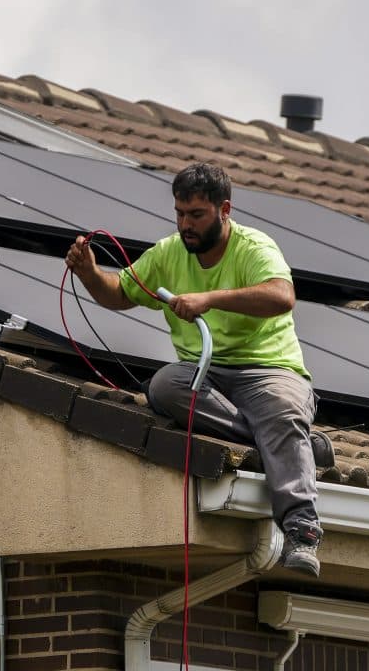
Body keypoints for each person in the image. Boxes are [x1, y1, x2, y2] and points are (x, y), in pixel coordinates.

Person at [64, 162, 334, 576]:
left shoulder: (253, 247)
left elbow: (281, 296)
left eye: (196, 215)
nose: (185, 224)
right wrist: (90, 274)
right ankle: (291, 445)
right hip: (204, 373)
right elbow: (120, 294)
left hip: (268, 370)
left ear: (224, 210)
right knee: (165, 386)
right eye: (179, 213)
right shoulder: (169, 252)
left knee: (281, 406)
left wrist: (209, 299)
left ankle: (301, 527)